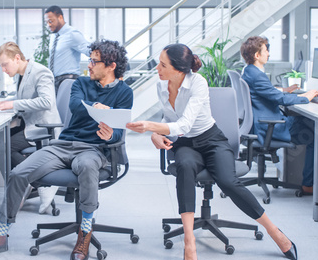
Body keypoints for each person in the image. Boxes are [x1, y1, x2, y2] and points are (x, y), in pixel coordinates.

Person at [126, 43, 297, 260]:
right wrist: (156, 134)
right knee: (185, 166)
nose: (157, 69)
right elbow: (169, 119)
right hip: (185, 144)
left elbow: (186, 124)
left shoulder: (198, 83)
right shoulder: (162, 86)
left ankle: (275, 232)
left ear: (178, 69)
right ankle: (190, 242)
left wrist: (149, 126)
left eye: (162, 65)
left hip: (211, 140)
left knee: (228, 181)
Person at [0, 39, 133, 260]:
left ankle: (85, 233)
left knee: (88, 168)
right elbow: (75, 107)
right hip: (62, 146)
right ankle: (1, 233)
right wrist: (97, 109)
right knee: (18, 173)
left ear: (110, 65)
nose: (88, 65)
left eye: (94, 61)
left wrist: (110, 135)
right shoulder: (81, 83)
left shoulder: (125, 92)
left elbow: (119, 131)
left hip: (93, 150)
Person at [240, 36, 318, 196]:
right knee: (316, 130)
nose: (268, 53)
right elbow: (280, 99)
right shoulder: (257, 75)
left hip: (263, 123)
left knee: (312, 128)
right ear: (257, 55)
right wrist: (306, 97)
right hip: (270, 126)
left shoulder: (249, 71)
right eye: (266, 50)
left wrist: (284, 89)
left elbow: (267, 92)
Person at [0, 41, 61, 214]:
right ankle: (22, 184)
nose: (3, 69)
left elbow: (47, 102)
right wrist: (7, 104)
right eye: (1, 66)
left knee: (1, 145)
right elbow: (25, 99)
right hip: (29, 123)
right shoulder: (22, 73)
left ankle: (23, 185)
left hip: (42, 128)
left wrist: (12, 104)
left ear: (17, 58)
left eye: (5, 64)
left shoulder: (41, 72)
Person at [45, 5, 91, 95]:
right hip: (55, 81)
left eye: (51, 21)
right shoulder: (53, 36)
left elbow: (90, 51)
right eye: (46, 22)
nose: (48, 25)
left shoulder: (72, 34)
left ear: (60, 17)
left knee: (65, 108)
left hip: (68, 80)